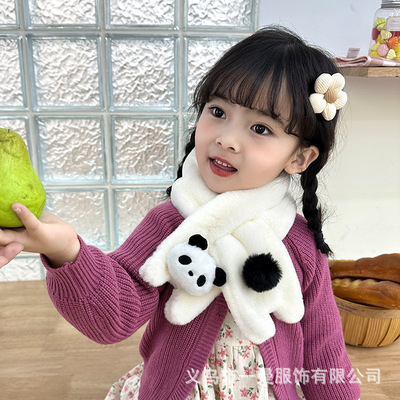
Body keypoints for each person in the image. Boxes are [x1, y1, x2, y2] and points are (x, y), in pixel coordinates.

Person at [0, 26, 360, 400]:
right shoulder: (168, 225)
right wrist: (66, 251)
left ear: (299, 158)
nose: (226, 139)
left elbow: (324, 350)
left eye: (260, 128)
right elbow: (115, 316)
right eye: (218, 111)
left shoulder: (301, 246)